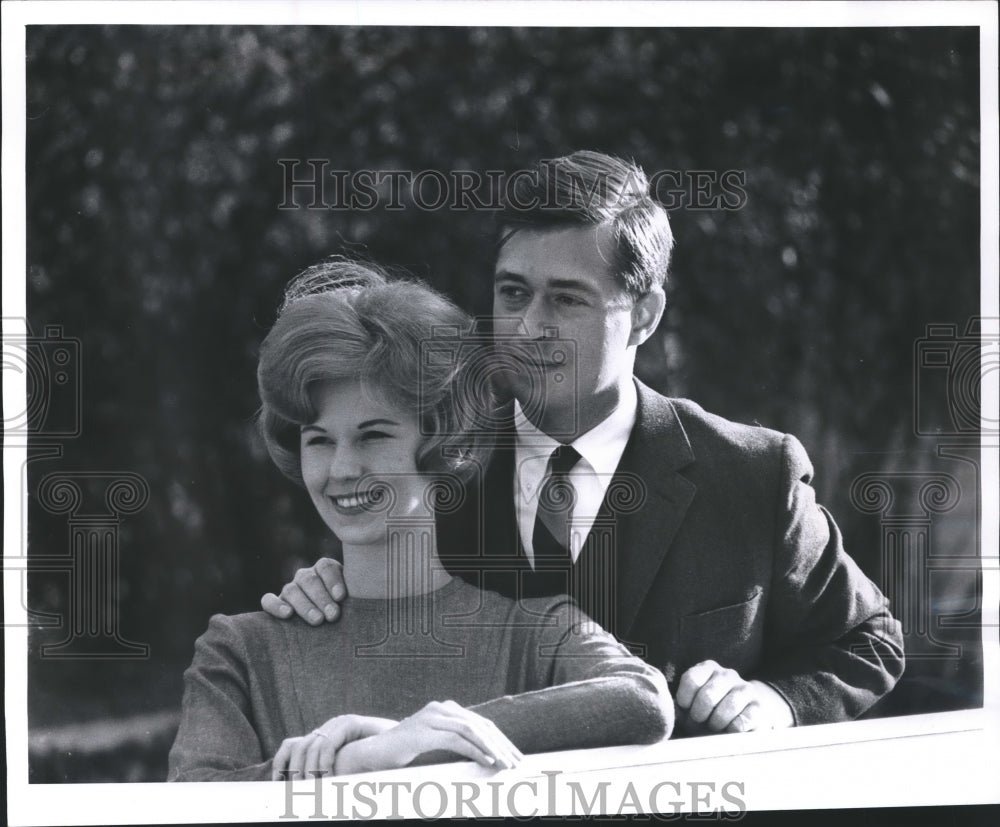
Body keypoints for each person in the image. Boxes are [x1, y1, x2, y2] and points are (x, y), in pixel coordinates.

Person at [261, 151, 905, 736]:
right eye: (512, 292)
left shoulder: (752, 473)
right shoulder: (434, 457)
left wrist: (779, 702)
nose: (529, 326)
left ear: (645, 315)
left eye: (567, 300)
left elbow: (869, 640)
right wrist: (330, 592)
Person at [167, 259, 673, 782]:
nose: (341, 469)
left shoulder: (533, 631)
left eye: (374, 436)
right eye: (318, 440)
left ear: (443, 441)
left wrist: (425, 738)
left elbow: (641, 699)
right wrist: (362, 761)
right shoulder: (241, 649)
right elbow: (190, 803)